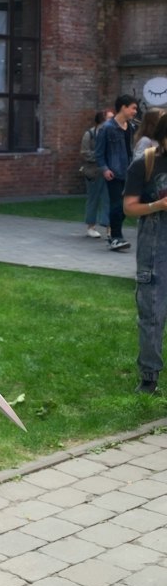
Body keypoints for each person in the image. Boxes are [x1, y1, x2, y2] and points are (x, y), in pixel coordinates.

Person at [123, 108, 167, 394]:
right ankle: (149, 377)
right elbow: (129, 208)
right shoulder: (146, 163)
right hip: (155, 253)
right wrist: (158, 206)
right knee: (151, 317)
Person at [94, 94, 139, 252]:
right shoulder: (107, 128)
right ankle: (116, 237)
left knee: (127, 206)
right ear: (123, 107)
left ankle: (114, 235)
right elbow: (98, 153)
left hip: (130, 172)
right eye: (133, 108)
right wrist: (105, 169)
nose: (135, 111)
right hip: (114, 172)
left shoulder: (132, 128)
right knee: (116, 205)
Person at [80, 111, 110, 240]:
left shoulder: (111, 134)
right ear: (101, 121)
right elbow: (84, 152)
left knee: (108, 199)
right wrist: (99, 158)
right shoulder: (90, 134)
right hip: (93, 171)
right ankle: (91, 227)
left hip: (108, 171)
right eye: (109, 119)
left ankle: (109, 227)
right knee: (93, 198)